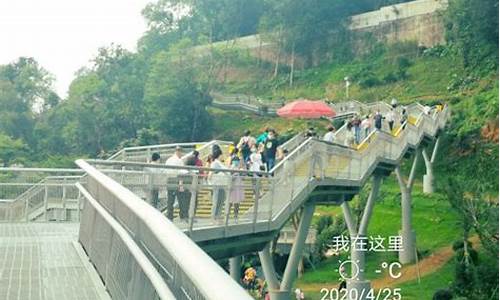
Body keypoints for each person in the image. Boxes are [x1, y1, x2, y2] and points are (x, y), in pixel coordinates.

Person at [165, 146, 186, 221]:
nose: (181, 154)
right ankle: (182, 216)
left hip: (169, 180)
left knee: (170, 200)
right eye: (181, 153)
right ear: (179, 152)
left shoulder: (168, 160)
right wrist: (181, 185)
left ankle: (169, 216)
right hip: (176, 181)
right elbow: (181, 173)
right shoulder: (179, 161)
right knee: (181, 199)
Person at [208, 150, 228, 222]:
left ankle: (218, 216)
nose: (223, 156)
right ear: (219, 155)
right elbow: (211, 173)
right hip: (217, 184)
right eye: (222, 155)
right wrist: (210, 183)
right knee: (216, 200)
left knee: (221, 200)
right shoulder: (215, 163)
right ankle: (214, 217)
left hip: (222, 184)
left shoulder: (220, 163)